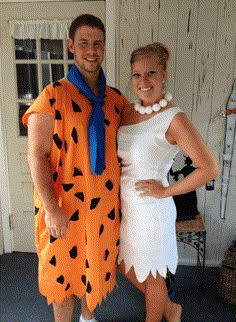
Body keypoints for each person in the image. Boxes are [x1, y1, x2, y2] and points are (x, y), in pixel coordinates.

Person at [22, 14, 129, 322]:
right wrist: (52, 208)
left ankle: (88, 317)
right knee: (63, 274)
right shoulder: (52, 96)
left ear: (104, 48)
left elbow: (139, 136)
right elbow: (36, 156)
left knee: (95, 267)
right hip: (64, 206)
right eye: (84, 43)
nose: (91, 50)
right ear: (71, 46)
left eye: (97, 43)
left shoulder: (116, 100)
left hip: (103, 207)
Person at [117, 42, 219, 322]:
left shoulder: (173, 119)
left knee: (153, 276)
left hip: (152, 211)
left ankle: (163, 316)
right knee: (125, 264)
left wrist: (165, 191)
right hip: (128, 210)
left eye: (151, 72)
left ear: (163, 75)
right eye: (136, 74)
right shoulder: (126, 112)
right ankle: (171, 310)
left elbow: (209, 167)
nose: (143, 81)